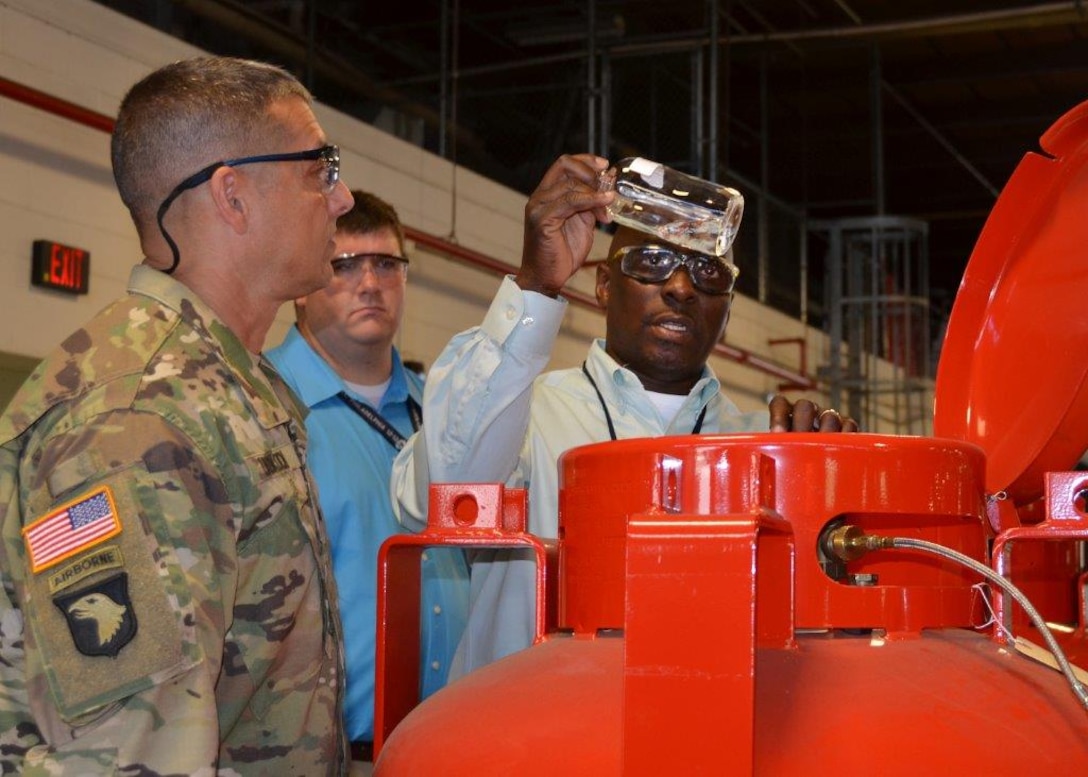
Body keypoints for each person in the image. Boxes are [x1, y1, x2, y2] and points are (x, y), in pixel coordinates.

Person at [0, 56, 354, 774]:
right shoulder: (140, 417)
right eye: (320, 169)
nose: (342, 198)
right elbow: (129, 758)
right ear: (233, 196)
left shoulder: (222, 385)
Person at [391, 153, 855, 677]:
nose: (681, 288)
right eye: (652, 262)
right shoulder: (522, 415)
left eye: (707, 271)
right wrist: (534, 287)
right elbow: (441, 496)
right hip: (537, 743)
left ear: (726, 309)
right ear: (605, 286)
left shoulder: (766, 446)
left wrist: (829, 488)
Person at [267, 191, 469, 767]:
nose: (370, 282)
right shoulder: (267, 410)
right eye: (344, 264)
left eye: (387, 264)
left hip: (450, 743)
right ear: (303, 282)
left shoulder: (443, 418)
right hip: (326, 757)